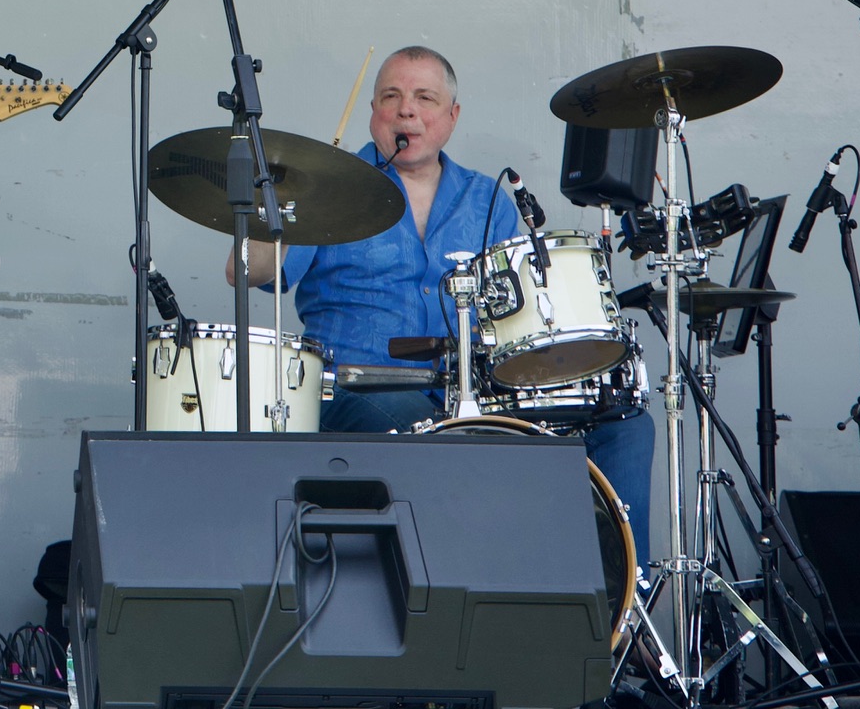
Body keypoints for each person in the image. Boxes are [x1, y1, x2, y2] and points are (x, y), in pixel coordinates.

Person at [230, 46, 655, 562]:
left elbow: (520, 321)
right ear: (373, 112)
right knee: (427, 428)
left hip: (471, 394)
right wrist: (283, 198)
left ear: (451, 117)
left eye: (424, 98)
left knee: (625, 426)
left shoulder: (488, 200)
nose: (406, 109)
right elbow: (246, 272)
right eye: (392, 96)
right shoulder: (330, 185)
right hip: (354, 386)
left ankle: (623, 600)